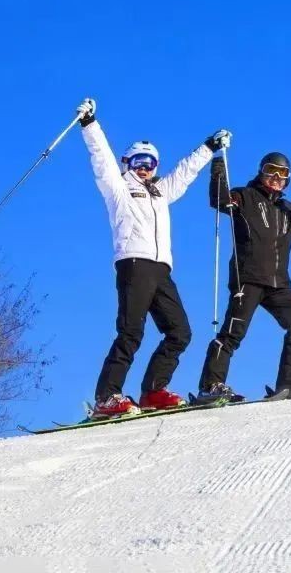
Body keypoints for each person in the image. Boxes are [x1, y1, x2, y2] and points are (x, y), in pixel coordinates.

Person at [78, 98, 231, 418]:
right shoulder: (118, 188)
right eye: (138, 162)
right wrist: (90, 124)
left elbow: (184, 173)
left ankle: (153, 391)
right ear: (128, 163)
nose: (145, 168)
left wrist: (208, 147)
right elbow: (102, 160)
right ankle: (107, 397)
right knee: (131, 331)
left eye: (150, 162)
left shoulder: (160, 192)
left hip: (161, 269)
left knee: (180, 331)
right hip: (134, 263)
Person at [195, 151, 291, 402]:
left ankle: (290, 383)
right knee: (233, 333)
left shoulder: (286, 209)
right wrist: (218, 171)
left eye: (283, 174)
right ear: (261, 171)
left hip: (279, 283)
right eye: (271, 171)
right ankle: (211, 385)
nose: (276, 178)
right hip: (248, 278)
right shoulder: (245, 196)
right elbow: (219, 200)